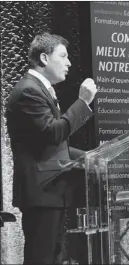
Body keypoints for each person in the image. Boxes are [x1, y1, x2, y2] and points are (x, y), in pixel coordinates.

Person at [6, 32, 97, 264]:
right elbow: (54, 132)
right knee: (42, 258)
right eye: (63, 56)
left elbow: (51, 145)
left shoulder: (39, 88)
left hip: (50, 192)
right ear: (44, 59)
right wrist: (83, 102)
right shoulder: (29, 90)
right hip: (41, 193)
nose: (69, 63)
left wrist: (90, 156)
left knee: (52, 257)